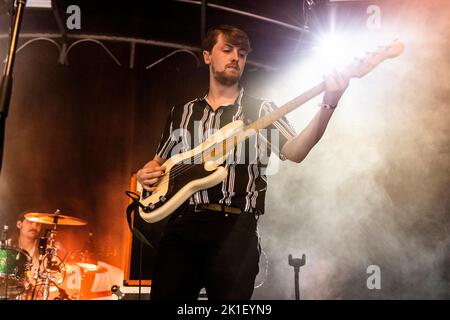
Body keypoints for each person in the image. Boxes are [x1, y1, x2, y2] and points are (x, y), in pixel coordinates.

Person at [136, 25, 349, 300]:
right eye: (227, 50)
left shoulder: (259, 110)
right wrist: (145, 173)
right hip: (182, 227)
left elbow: (296, 151)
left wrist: (328, 104)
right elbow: (158, 164)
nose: (236, 57)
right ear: (207, 56)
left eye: (242, 53)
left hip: (235, 230)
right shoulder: (182, 112)